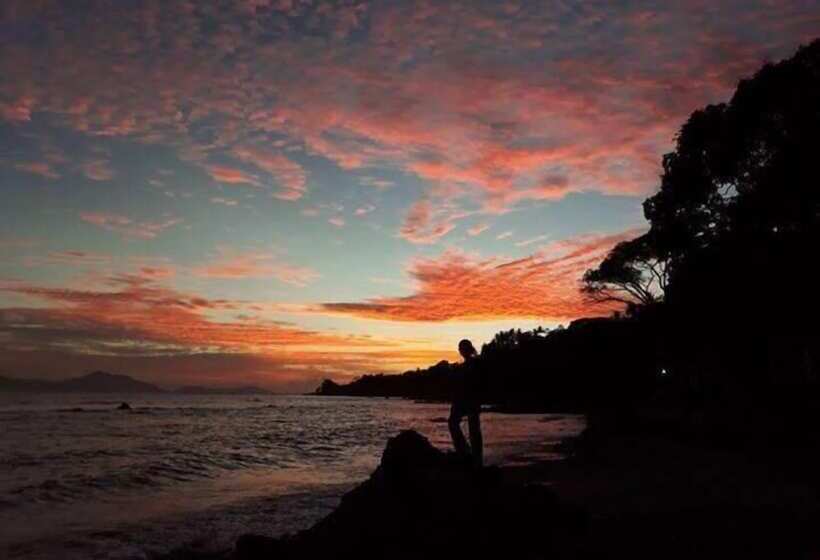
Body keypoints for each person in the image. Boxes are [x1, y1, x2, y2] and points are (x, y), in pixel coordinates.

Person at [448, 339, 484, 467]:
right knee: (459, 425)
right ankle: (467, 452)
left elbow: (476, 383)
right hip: (465, 400)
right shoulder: (467, 365)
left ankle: (471, 455)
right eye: (460, 348)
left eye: (461, 348)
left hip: (470, 400)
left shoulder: (474, 364)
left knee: (472, 429)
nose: (460, 351)